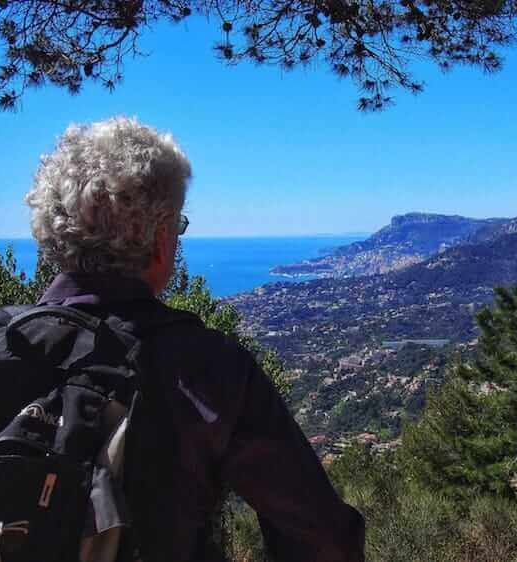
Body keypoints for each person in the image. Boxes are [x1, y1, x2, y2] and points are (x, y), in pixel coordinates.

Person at [23, 116, 365, 562]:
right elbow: (323, 539)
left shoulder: (7, 344)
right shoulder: (208, 370)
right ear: (161, 240)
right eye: (178, 227)